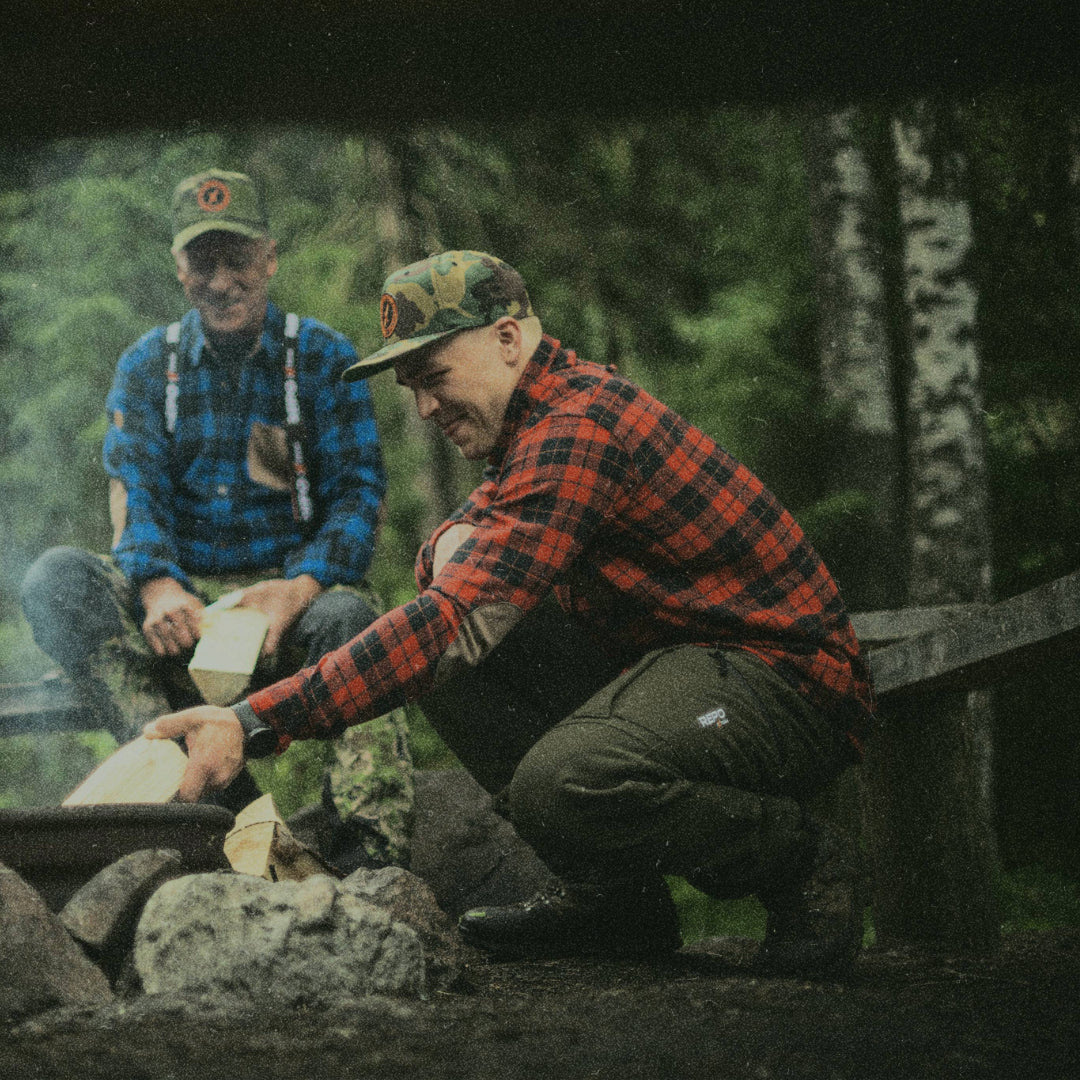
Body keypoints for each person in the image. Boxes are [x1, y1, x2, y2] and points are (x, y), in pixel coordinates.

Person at [145, 249, 875, 976]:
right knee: (454, 667)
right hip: (684, 670)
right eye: (412, 389)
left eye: (435, 379)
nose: (427, 409)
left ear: (507, 338)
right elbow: (450, 561)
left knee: (564, 779)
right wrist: (451, 549)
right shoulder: (531, 431)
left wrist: (249, 723)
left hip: (784, 685)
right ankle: (614, 902)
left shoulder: (578, 427)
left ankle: (805, 866)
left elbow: (450, 622)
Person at [20, 169, 412, 870]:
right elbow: (134, 493)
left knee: (357, 626)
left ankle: (370, 856)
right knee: (57, 580)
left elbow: (358, 496)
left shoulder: (321, 357)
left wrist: (302, 588)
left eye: (237, 258)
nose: (222, 280)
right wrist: (157, 586)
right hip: (184, 606)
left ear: (269, 258)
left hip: (286, 605)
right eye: (204, 261)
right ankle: (190, 785)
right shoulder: (148, 367)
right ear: (179, 268)